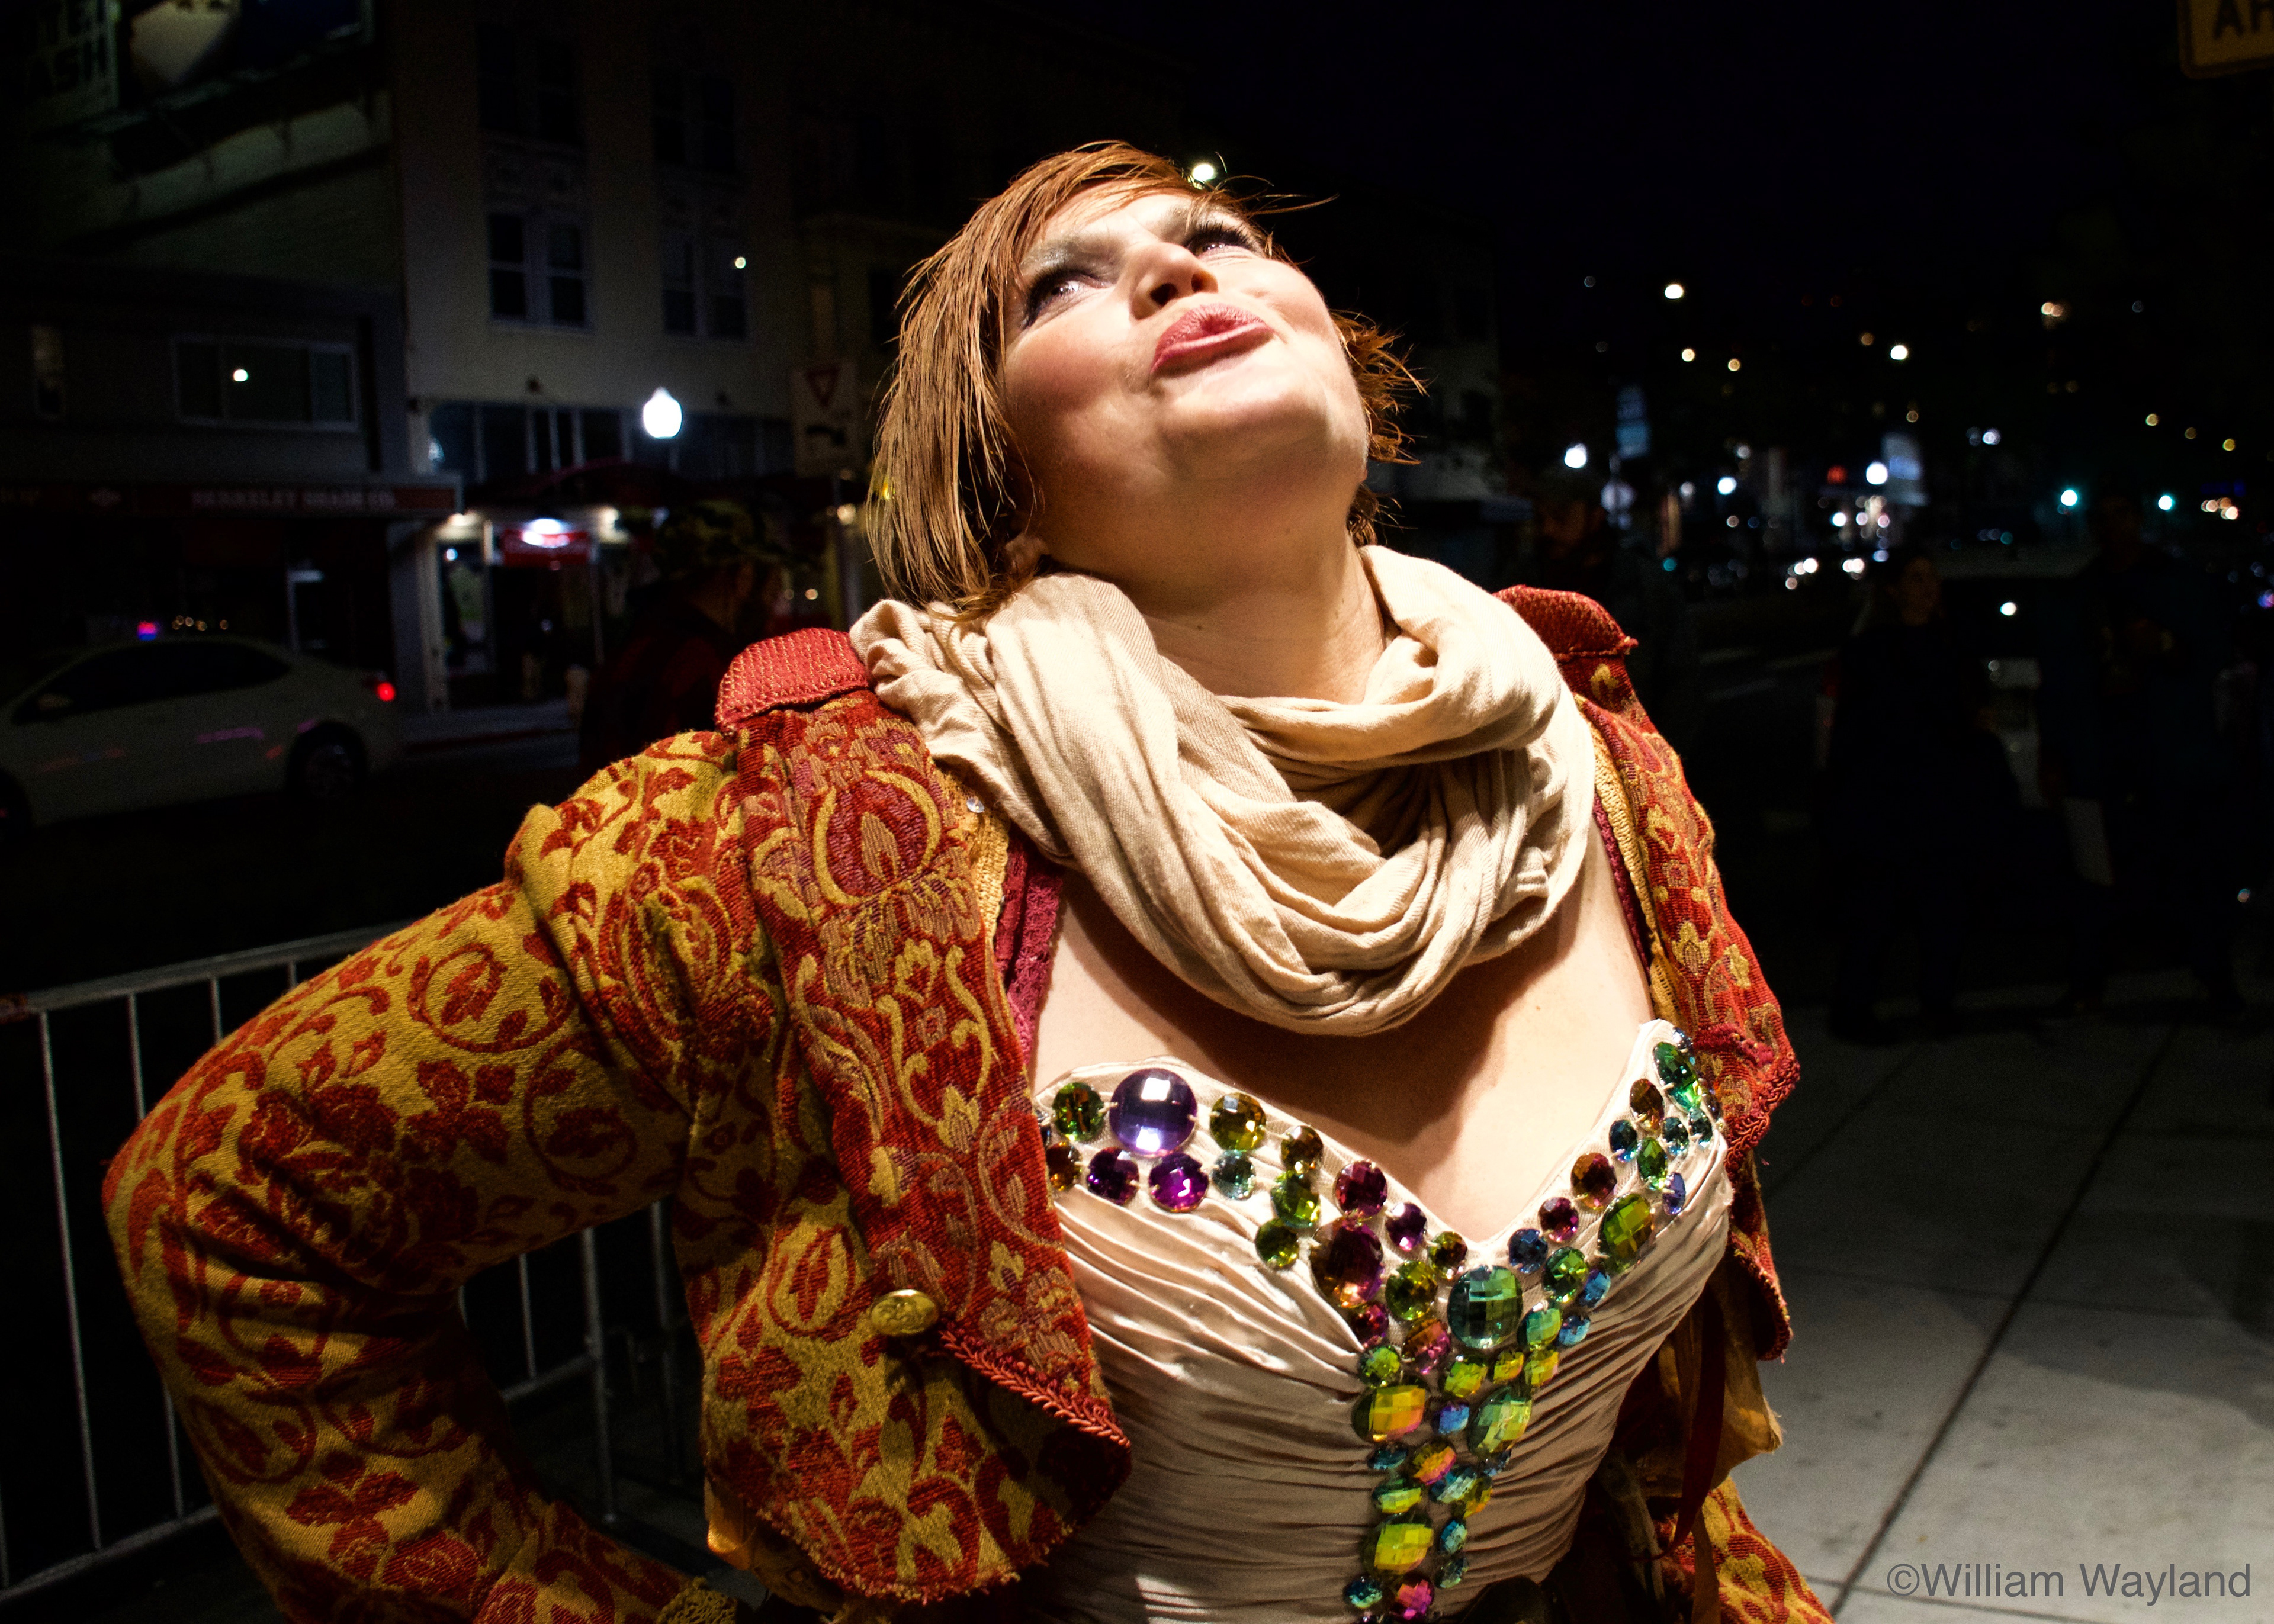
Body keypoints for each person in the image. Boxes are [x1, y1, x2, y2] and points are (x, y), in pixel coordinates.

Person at [103, 144, 1824, 1624]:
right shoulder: (781, 851)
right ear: (992, 468)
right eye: (1059, 286)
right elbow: (231, 1202)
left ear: (1350, 372)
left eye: (1217, 238)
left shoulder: (1591, 765)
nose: (1169, 259)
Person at [2038, 493, 2240, 1015]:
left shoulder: (2177, 583)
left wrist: (2168, 645)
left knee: (2194, 869)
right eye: (2103, 518)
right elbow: (2059, 682)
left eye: (2120, 514)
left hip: (2169, 750)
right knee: (2095, 876)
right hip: (2104, 751)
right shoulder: (2084, 591)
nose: (2112, 527)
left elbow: (2215, 651)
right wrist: (2056, 754)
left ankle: (2214, 975)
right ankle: (2090, 979)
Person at [1821, 546, 2011, 1041]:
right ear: (1895, 587)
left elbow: (1972, 719)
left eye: (1933, 579)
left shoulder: (1953, 647)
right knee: (1876, 910)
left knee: (1942, 907)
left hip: (1942, 796)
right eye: (1917, 577)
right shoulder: (1871, 651)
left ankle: (1937, 1002)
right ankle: (1855, 1008)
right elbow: (1853, 733)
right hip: (1888, 799)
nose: (1928, 588)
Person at [577, 498, 782, 774]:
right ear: (743, 575)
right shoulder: (712, 667)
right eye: (772, 578)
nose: (776, 598)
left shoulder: (628, 652)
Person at [1517, 471, 1701, 748]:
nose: (1548, 530)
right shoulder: (1523, 580)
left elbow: (1681, 680)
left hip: (1633, 749)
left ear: (1595, 516)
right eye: (1541, 518)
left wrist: (1665, 756)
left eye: (1561, 516)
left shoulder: (1644, 585)